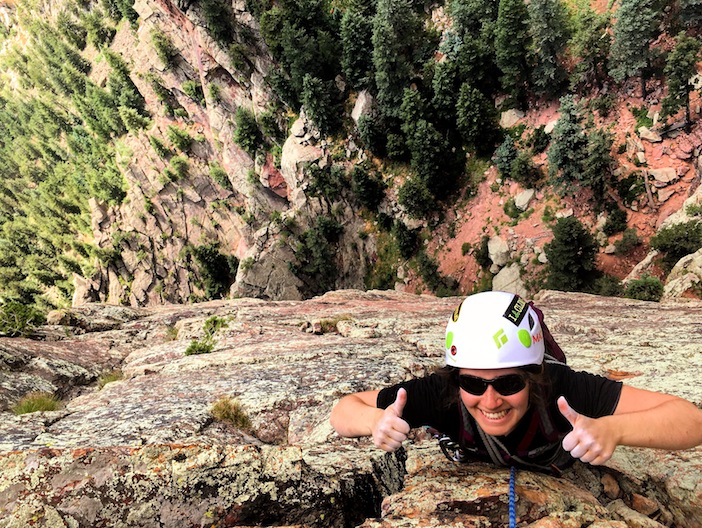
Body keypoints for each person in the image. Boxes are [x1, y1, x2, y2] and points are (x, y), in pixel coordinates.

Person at [330, 291, 702, 472]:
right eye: (474, 385)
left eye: (508, 384)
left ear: (534, 377)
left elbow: (690, 420)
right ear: (457, 378)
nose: (490, 401)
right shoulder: (442, 392)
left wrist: (613, 429)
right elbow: (343, 410)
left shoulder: (562, 389)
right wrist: (374, 422)